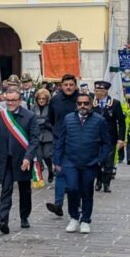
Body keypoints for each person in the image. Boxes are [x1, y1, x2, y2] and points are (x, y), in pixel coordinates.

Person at [53, 93, 112, 234]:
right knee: (72, 188)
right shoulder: (68, 119)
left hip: (90, 162)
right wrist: (57, 160)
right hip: (70, 161)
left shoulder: (99, 120)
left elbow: (106, 143)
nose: (82, 106)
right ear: (76, 105)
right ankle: (74, 217)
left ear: (91, 104)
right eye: (80, 103)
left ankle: (85, 220)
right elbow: (60, 140)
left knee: (87, 191)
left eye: (86, 103)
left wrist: (100, 160)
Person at [0, 88, 40, 234]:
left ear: (19, 101)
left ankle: (24, 217)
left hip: (22, 160)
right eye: (8, 100)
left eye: (13, 100)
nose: (10, 103)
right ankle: (3, 221)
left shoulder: (29, 116)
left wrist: (28, 157)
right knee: (5, 190)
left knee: (25, 191)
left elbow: (34, 139)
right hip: (5, 160)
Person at [45, 74, 79, 217]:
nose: (68, 87)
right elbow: (50, 119)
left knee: (76, 175)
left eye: (71, 84)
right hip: (60, 141)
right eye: (66, 85)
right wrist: (57, 131)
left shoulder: (82, 99)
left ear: (75, 85)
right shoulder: (55, 100)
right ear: (61, 86)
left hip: (78, 141)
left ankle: (77, 205)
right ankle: (58, 204)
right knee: (59, 172)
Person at [92, 80, 126, 193]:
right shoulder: (91, 103)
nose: (96, 92)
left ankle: (106, 183)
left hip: (110, 138)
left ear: (105, 91)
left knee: (108, 162)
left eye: (98, 91)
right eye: (95, 90)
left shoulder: (115, 103)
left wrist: (121, 138)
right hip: (94, 138)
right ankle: (99, 181)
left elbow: (121, 122)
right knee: (96, 162)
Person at [31, 88, 55, 183]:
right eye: (39, 98)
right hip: (37, 135)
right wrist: (42, 121)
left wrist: (45, 122)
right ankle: (39, 177)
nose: (41, 100)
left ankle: (50, 169)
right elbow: (32, 120)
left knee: (47, 155)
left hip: (48, 134)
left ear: (47, 99)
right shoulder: (33, 107)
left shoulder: (50, 108)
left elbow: (51, 121)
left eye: (43, 99)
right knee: (39, 157)